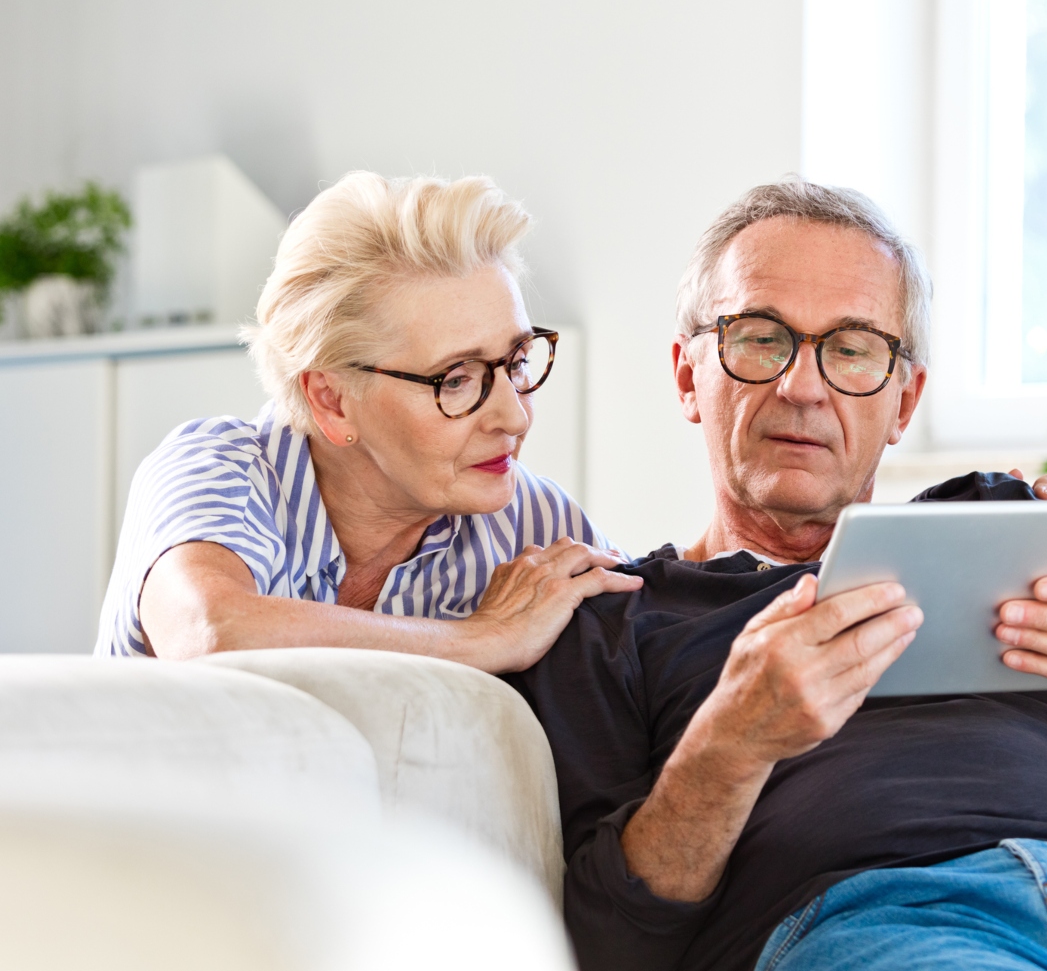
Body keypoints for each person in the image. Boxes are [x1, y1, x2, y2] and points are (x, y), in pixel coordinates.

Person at [507, 180, 1047, 971]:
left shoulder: (1009, 520)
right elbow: (605, 945)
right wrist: (730, 745)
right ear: (687, 374)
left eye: (852, 349)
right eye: (760, 337)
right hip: (871, 922)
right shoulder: (613, 616)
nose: (802, 387)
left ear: (903, 400)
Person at [96, 172, 641, 670]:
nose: (514, 416)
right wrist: (484, 639)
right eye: (455, 379)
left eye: (518, 362)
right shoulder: (216, 470)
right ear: (332, 400)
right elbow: (212, 634)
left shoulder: (537, 525)